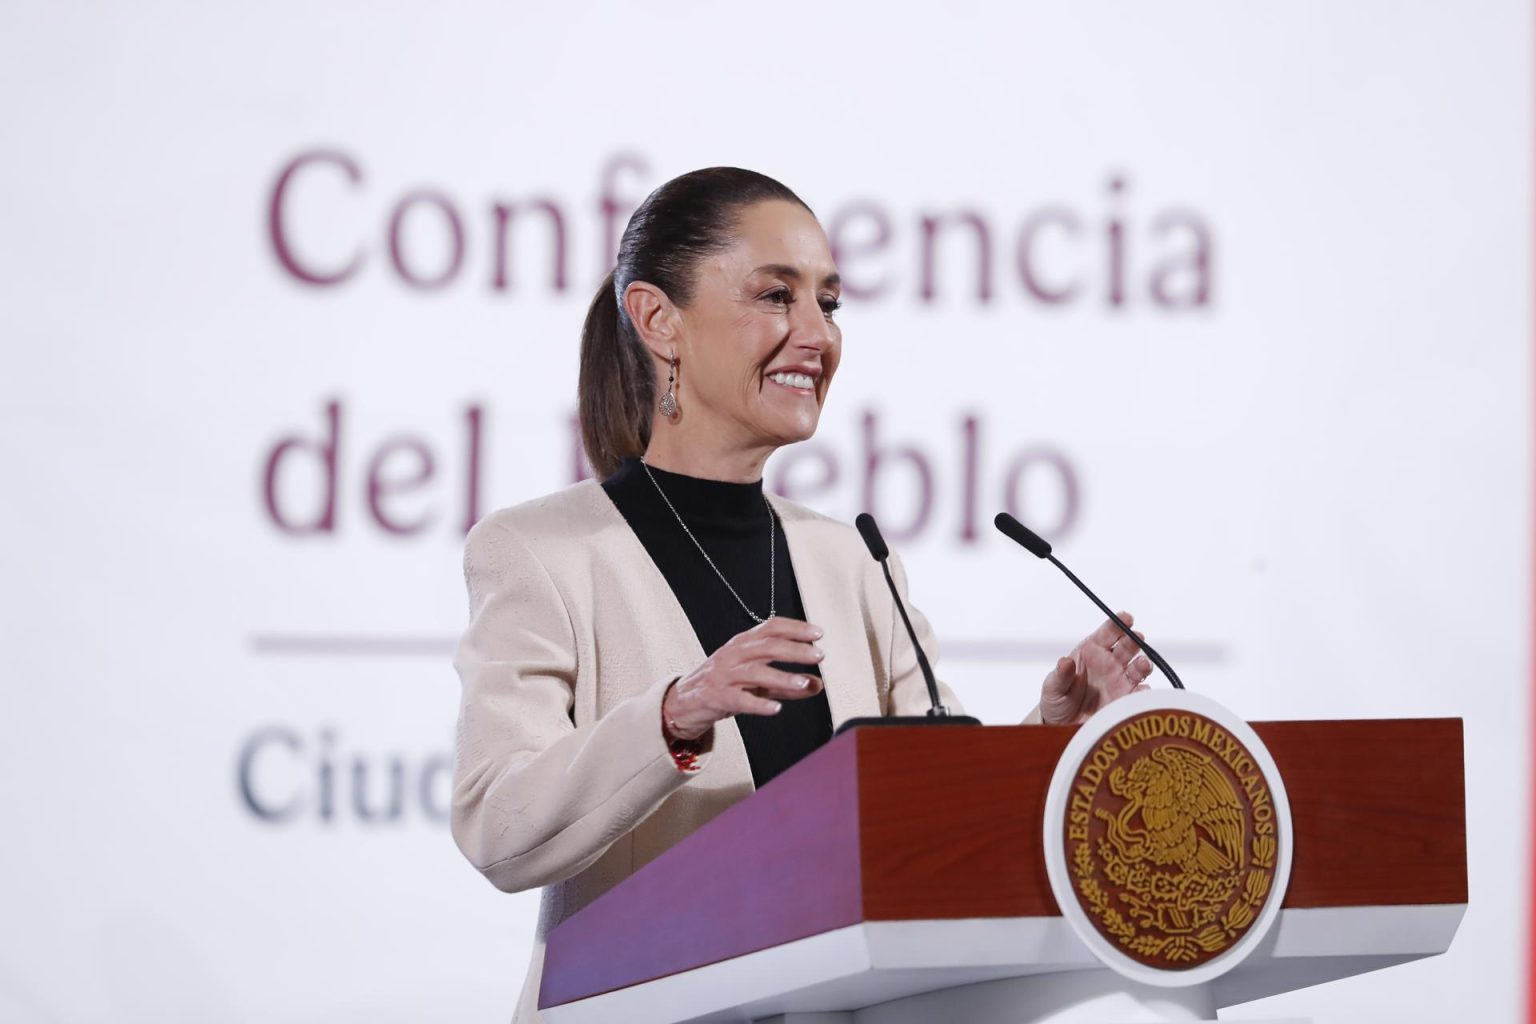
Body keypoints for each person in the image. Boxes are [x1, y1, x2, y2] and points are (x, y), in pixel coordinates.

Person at [449, 167, 1153, 1023]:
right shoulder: (539, 552)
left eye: (831, 303)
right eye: (776, 296)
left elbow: (934, 819)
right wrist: (675, 715)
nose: (816, 334)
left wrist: (1051, 740)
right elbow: (498, 826)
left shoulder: (853, 561)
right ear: (657, 320)